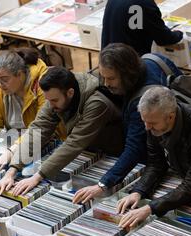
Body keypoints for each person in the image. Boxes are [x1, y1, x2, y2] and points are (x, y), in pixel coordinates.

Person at [72, 43, 182, 204]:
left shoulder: (142, 104)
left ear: (127, 74)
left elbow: (134, 148)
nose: (106, 83)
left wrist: (103, 184)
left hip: (171, 158)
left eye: (111, 78)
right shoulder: (153, 59)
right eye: (103, 76)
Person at [0, 66, 124, 196]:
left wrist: (37, 177)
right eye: (48, 100)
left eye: (54, 100)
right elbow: (38, 129)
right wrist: (11, 171)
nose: (51, 105)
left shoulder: (97, 103)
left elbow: (74, 143)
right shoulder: (57, 92)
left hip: (113, 155)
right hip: (90, 153)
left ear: (70, 93)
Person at [117, 87, 191, 228]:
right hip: (188, 180)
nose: (147, 128)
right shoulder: (154, 122)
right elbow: (156, 163)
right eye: (144, 121)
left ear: (171, 116)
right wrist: (139, 191)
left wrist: (150, 208)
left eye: (152, 123)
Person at [101, 0, 183, 56]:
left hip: (107, 61)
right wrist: (180, 33)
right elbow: (163, 39)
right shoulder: (145, 3)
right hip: (130, 67)